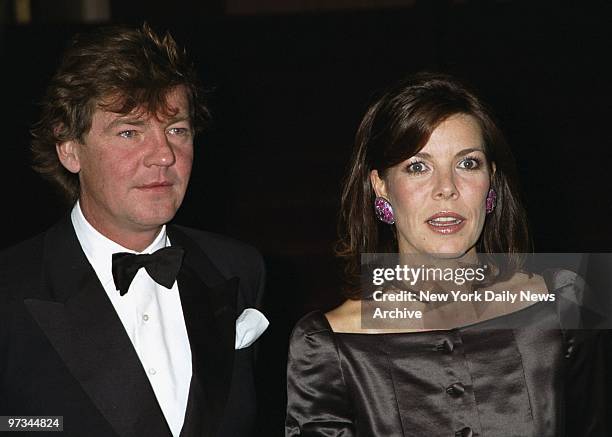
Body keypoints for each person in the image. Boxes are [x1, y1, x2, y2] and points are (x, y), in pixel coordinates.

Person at [285, 73, 609, 436]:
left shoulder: (564, 305)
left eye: (467, 163)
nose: (446, 189)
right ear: (381, 186)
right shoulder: (329, 344)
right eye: (418, 166)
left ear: (492, 182)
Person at [0, 24, 268, 437]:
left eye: (177, 129)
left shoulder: (238, 267)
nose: (164, 155)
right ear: (69, 148)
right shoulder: (10, 289)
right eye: (129, 132)